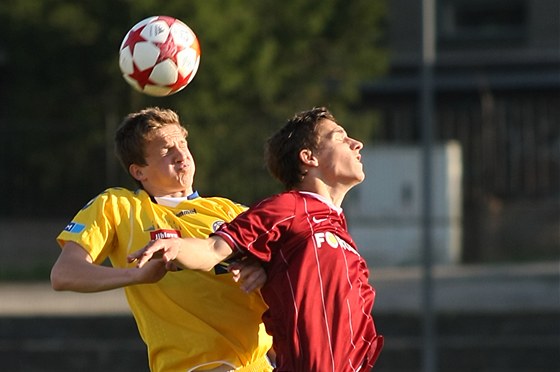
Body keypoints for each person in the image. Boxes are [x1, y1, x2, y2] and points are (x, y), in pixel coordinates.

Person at [130, 106, 384, 371]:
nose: (357, 144)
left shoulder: (341, 237)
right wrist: (176, 245)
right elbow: (214, 249)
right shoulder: (287, 208)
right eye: (340, 137)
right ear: (308, 157)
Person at [50, 107, 274, 372]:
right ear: (139, 172)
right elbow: (64, 274)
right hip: (198, 365)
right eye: (167, 150)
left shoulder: (231, 210)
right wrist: (135, 276)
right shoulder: (119, 206)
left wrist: (262, 270)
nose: (182, 156)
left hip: (261, 364)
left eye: (183, 144)